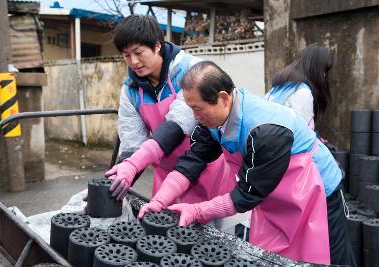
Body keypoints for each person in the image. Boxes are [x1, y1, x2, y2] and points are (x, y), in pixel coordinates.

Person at [139, 61, 355, 266]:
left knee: (327, 258)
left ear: (223, 98)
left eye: (198, 108)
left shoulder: (265, 130)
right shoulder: (214, 119)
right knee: (276, 256)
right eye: (191, 108)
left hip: (317, 192)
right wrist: (160, 200)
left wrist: (197, 211)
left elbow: (245, 195)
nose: (195, 116)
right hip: (274, 192)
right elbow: (192, 160)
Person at [105, 15, 245, 232]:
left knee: (212, 239)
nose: (133, 62)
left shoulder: (191, 72)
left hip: (204, 167)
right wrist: (121, 177)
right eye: (126, 55)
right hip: (167, 178)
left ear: (157, 46)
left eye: (139, 53)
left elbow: (179, 124)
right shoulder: (130, 90)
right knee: (166, 236)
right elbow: (132, 144)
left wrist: (134, 164)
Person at [266, 43, 332, 130]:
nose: (324, 75)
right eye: (324, 70)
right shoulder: (302, 92)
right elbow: (303, 135)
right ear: (316, 68)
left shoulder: (282, 86)